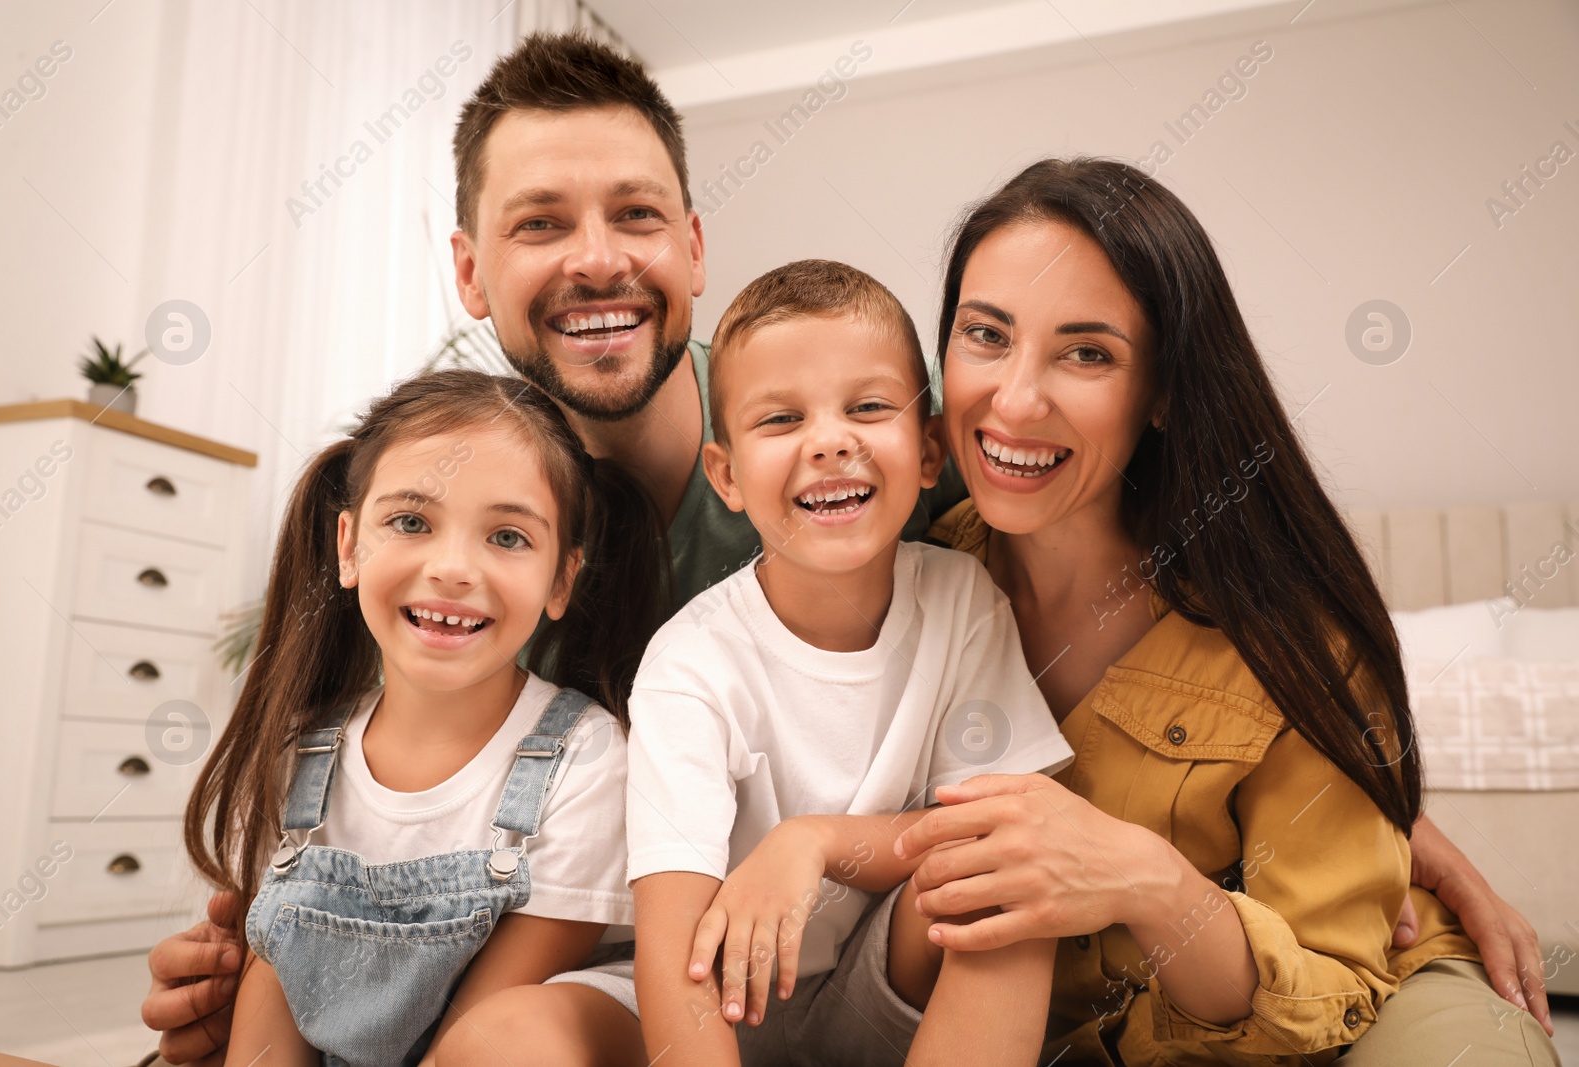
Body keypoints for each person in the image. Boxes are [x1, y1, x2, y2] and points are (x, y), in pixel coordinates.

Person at [142, 30, 1551, 1064]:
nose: (595, 258)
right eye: (537, 225)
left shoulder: (916, 535)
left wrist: (1399, 819)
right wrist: (291, 964)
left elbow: (1222, 716)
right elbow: (358, 836)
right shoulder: (459, 531)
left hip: (1062, 965)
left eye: (633, 215)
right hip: (696, 982)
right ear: (467, 271)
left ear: (694, 245)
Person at [890, 156, 1560, 1064]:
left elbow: (1334, 985)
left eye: (1087, 352)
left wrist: (1148, 881)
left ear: (1164, 389)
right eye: (985, 334)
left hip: (1353, 1005)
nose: (1014, 399)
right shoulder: (904, 568)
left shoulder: (1284, 626)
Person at [618, 260, 1075, 1066]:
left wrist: (815, 841)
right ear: (725, 476)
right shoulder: (690, 662)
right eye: (781, 419)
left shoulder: (962, 600)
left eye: (868, 407)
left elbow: (1002, 828)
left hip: (871, 992)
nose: (831, 441)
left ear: (932, 453)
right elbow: (671, 943)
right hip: (717, 995)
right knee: (507, 1035)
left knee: (1001, 881)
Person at [183, 370, 666, 1066]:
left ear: (562, 577)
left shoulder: (588, 759)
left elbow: (474, 1037)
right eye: (411, 522)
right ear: (348, 546)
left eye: (507, 536)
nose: (453, 567)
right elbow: (275, 986)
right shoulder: (295, 760)